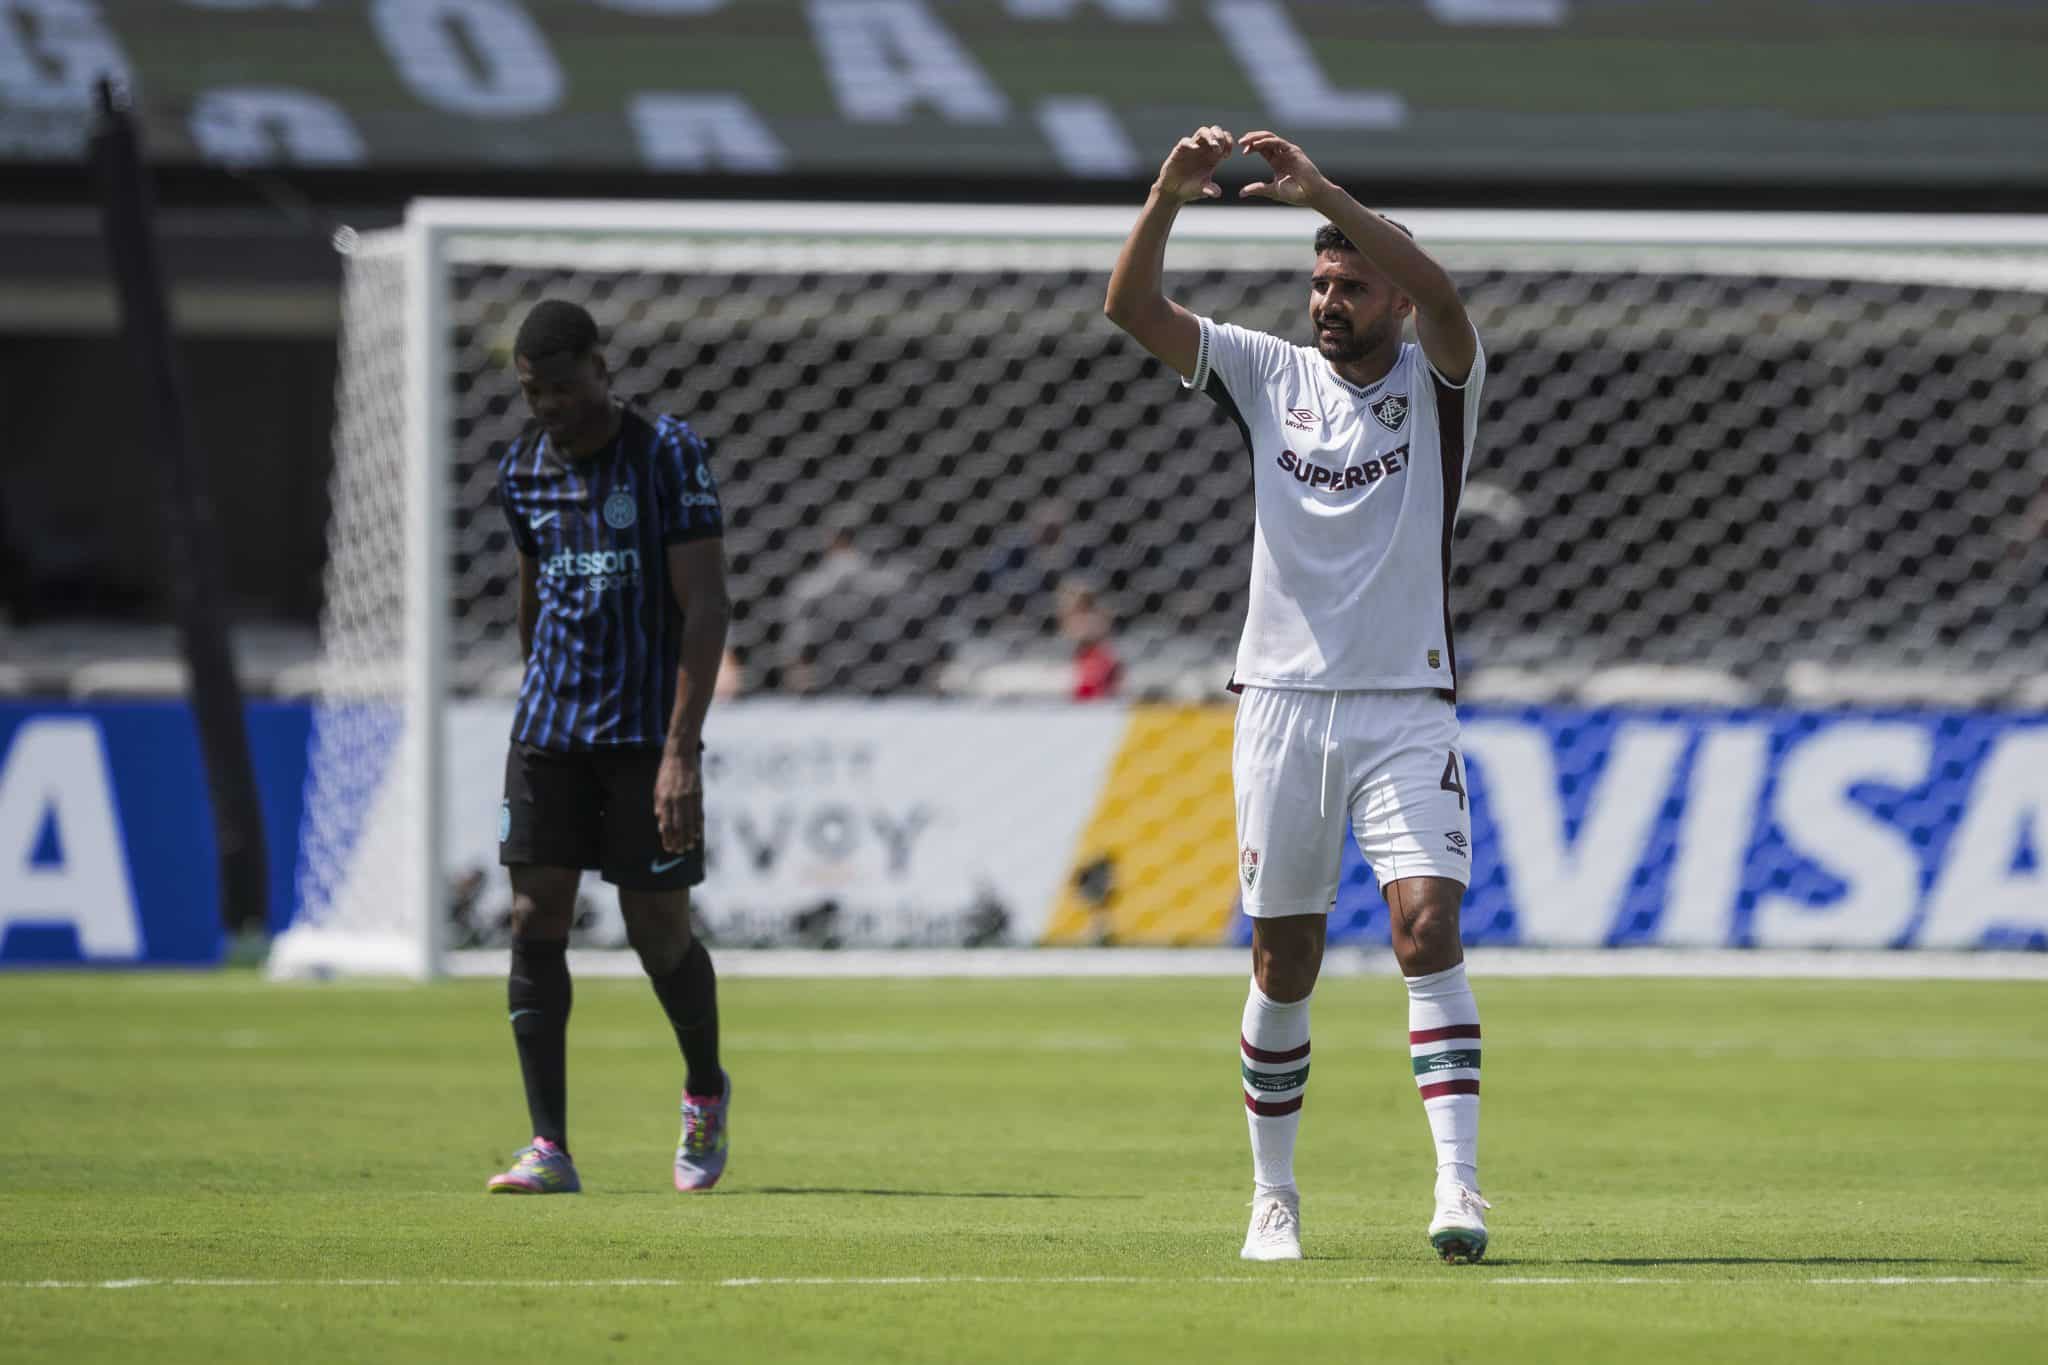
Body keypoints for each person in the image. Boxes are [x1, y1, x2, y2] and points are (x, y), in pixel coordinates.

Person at [1105, 129, 1490, 1263]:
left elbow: (1441, 288)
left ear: (1394, 303)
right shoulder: (1265, 372)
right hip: (1278, 703)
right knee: (1284, 962)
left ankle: (1459, 1186)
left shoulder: (1441, 379)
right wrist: (1167, 198)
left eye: (1350, 285)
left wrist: (1319, 191)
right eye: (1318, 281)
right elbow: (1129, 306)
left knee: (1427, 926)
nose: (1329, 299)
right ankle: (1271, 1198)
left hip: (1404, 706)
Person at [486, 299, 734, 1195]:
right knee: (531, 916)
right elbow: (531, 601)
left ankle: (705, 1089)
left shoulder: (668, 454)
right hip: (550, 730)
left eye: (562, 385)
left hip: (644, 734)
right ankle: (548, 1146)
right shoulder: (521, 470)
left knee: (656, 929)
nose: (549, 405)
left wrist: (681, 751)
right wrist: (539, 698)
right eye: (533, 391)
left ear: (601, 366)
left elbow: (705, 607)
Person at [1055, 576, 1122, 700]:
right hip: (1081, 655)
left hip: (1096, 655)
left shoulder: (1099, 615)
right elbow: (1074, 633)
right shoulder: (1071, 617)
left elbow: (1097, 632)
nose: (1084, 601)